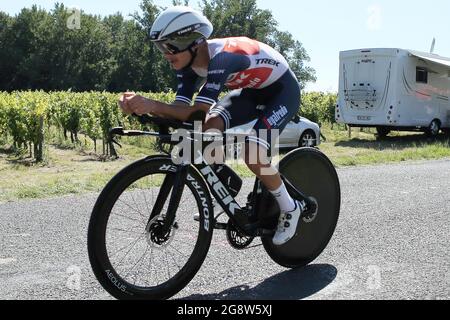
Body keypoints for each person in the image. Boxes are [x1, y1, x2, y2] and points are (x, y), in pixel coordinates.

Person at [118, 6, 304, 246]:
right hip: (251, 92)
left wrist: (151, 103)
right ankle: (226, 184)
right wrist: (142, 108)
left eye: (170, 46)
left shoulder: (223, 58)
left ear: (194, 42)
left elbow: (195, 111)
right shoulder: (187, 67)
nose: (166, 54)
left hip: (282, 91)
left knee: (253, 154)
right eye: (161, 47)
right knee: (208, 127)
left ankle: (290, 207)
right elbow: (184, 116)